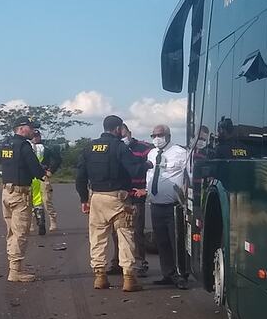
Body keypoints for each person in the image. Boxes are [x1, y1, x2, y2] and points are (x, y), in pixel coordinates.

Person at [75, 114, 144, 293]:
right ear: (118, 129)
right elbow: (134, 169)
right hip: (118, 200)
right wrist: (148, 165)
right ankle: (129, 279)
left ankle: (100, 277)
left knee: (97, 238)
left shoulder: (89, 147)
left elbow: (80, 177)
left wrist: (84, 199)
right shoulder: (119, 147)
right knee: (125, 236)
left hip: (96, 198)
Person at [0, 117, 46, 282]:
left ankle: (14, 266)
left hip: (6, 193)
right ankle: (15, 271)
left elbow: (2, 162)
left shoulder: (6, 145)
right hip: (20, 194)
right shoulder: (24, 146)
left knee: (11, 232)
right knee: (20, 233)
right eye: (31, 128)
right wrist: (43, 172)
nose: (33, 131)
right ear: (22, 128)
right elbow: (36, 170)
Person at [146, 123, 192, 288]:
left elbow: (190, 177)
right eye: (154, 136)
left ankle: (181, 275)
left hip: (174, 207)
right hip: (156, 205)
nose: (156, 139)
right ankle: (168, 273)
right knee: (162, 242)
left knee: (177, 241)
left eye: (160, 135)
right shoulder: (151, 154)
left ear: (168, 135)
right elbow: (150, 175)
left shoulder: (181, 153)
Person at [119, 122, 154, 277]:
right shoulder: (117, 149)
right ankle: (121, 262)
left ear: (129, 132)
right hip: (121, 196)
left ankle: (140, 263)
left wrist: (146, 190)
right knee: (121, 232)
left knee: (137, 231)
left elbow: (154, 169)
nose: (122, 136)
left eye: (124, 132)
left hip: (138, 195)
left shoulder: (145, 148)